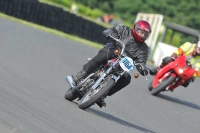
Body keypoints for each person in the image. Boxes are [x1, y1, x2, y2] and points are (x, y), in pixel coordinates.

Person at [71, 20, 152, 107]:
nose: (143, 35)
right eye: (141, 32)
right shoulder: (124, 30)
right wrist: (110, 33)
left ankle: (103, 94)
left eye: (145, 34)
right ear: (135, 28)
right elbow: (111, 31)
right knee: (105, 54)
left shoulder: (144, 48)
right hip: (113, 51)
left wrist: (142, 67)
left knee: (127, 78)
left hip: (123, 64)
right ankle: (82, 73)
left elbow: (142, 60)